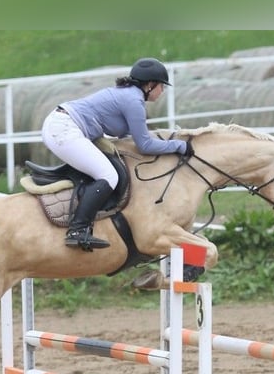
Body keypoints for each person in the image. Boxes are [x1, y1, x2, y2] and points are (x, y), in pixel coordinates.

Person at [41, 57, 194, 252]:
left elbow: (131, 135)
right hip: (64, 129)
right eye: (161, 86)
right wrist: (179, 147)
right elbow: (145, 145)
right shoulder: (133, 100)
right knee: (109, 176)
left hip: (62, 125)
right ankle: (77, 230)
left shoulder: (128, 95)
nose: (162, 91)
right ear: (149, 85)